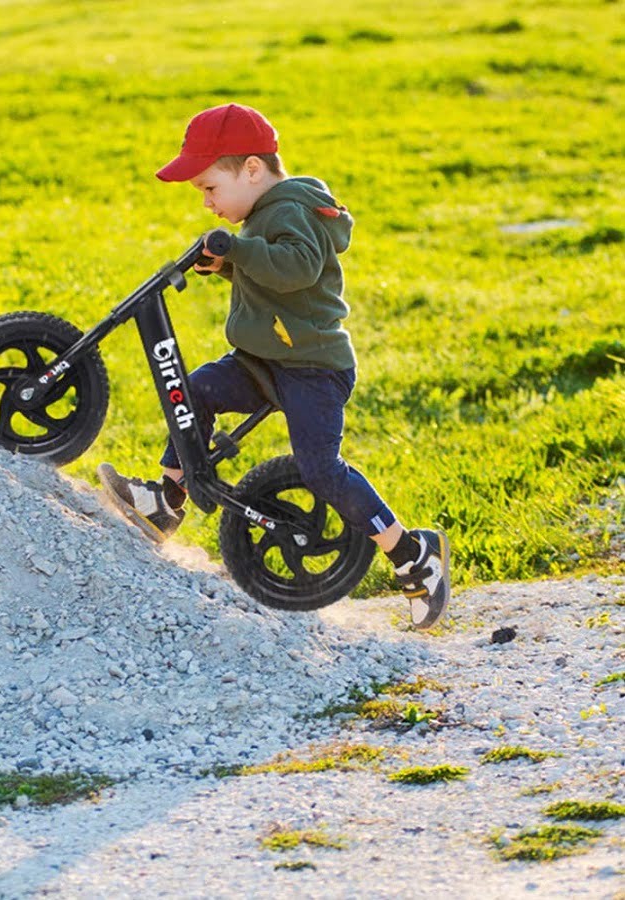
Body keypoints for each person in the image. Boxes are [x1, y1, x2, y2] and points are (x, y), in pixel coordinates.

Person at [98, 103, 450, 629]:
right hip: (265, 361)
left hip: (312, 368)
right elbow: (271, 282)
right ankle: (166, 500)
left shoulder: (290, 211)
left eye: (210, 188)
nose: (207, 202)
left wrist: (238, 250)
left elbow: (297, 268)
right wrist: (227, 264)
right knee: (194, 391)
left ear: (253, 170)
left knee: (320, 469)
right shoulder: (267, 214)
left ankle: (412, 553)